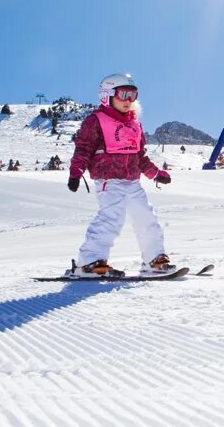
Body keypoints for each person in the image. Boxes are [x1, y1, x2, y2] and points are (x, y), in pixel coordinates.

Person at [67, 73, 173, 277]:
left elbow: (140, 157)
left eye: (133, 95)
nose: (129, 101)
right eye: (123, 94)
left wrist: (156, 174)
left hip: (132, 180)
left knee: (146, 217)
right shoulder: (95, 121)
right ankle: (89, 262)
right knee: (111, 218)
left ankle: (154, 259)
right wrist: (75, 172)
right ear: (107, 95)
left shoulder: (135, 125)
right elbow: (83, 149)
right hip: (108, 179)